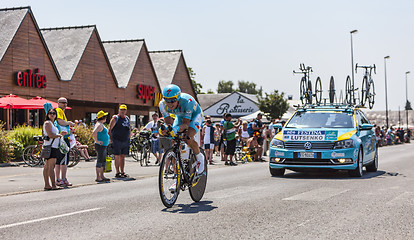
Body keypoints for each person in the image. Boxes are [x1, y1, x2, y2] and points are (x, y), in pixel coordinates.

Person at [158, 84, 205, 177]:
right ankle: (178, 177)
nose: (170, 104)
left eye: (172, 101)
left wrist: (176, 129)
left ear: (178, 98)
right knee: (174, 142)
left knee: (188, 138)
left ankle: (200, 157)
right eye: (167, 100)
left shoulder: (188, 102)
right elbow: (168, 123)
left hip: (195, 116)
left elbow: (186, 124)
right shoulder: (162, 105)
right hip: (180, 116)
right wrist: (166, 129)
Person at [42, 108, 66, 190]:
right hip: (50, 147)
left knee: (47, 166)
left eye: (54, 113)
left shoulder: (53, 123)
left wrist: (59, 134)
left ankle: (47, 185)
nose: (52, 114)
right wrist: (59, 135)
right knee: (50, 167)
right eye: (50, 113)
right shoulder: (48, 123)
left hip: (52, 146)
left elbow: (53, 134)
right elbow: (50, 135)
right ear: (47, 114)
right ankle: (53, 185)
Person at [55, 97, 75, 187]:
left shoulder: (60, 111)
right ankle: (63, 179)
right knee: (64, 160)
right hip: (63, 138)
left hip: (60, 137)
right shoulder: (59, 110)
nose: (64, 104)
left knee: (59, 160)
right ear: (58, 103)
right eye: (62, 102)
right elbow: (60, 122)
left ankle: (58, 179)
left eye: (66, 102)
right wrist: (69, 123)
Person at [108, 104, 131, 178]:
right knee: (117, 156)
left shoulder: (127, 118)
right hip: (116, 140)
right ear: (119, 110)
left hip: (125, 140)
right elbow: (109, 129)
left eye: (124, 110)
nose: (122, 111)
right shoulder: (115, 118)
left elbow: (129, 127)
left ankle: (122, 171)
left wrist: (129, 135)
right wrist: (110, 138)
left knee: (123, 156)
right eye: (121, 110)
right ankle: (117, 172)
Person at [93, 111, 110, 182]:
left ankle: (102, 175)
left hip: (103, 145)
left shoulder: (101, 124)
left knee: (103, 160)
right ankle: (98, 176)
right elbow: (94, 132)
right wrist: (97, 141)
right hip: (100, 145)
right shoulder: (99, 125)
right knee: (100, 160)